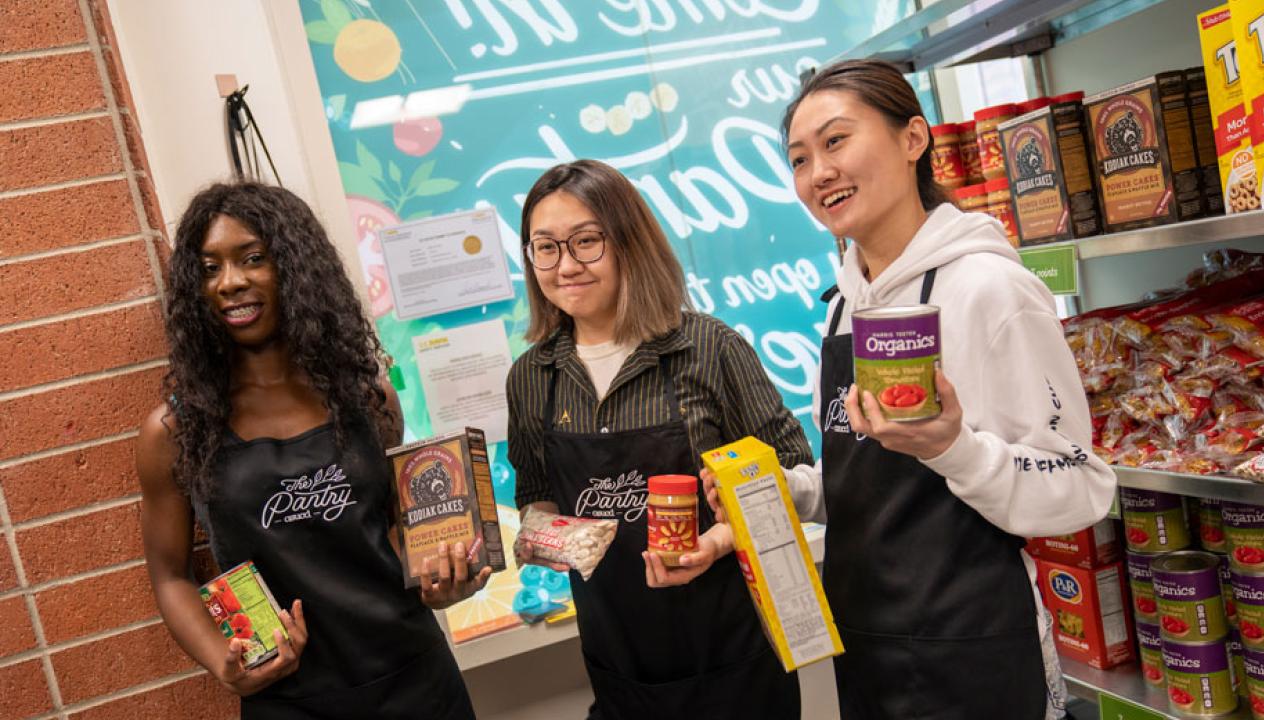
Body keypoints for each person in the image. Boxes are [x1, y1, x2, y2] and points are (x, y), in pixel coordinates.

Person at [734, 59, 1117, 718]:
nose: (818, 171)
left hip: (974, 653)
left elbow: (1081, 485)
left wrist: (955, 449)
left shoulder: (989, 290)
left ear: (914, 139)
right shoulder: (842, 305)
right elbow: (876, 484)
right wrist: (786, 491)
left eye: (835, 141)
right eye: (798, 158)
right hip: (869, 655)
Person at [137, 182, 487, 719]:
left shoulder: (369, 400)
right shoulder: (177, 431)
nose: (230, 282)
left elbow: (393, 531)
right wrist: (223, 664)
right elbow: (170, 576)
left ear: (296, 269)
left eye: (252, 259)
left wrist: (439, 581)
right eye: (210, 268)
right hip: (290, 700)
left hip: (414, 679)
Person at [506, 159, 811, 720]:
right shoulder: (531, 377)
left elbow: (795, 478)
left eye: (587, 242)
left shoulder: (709, 348)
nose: (565, 265)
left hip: (733, 661)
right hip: (620, 667)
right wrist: (545, 537)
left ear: (629, 242)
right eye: (545, 247)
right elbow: (538, 495)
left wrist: (716, 541)